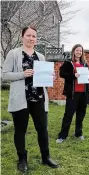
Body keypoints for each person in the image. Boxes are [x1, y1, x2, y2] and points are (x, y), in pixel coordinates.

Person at [2, 26, 59, 173]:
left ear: (36, 39)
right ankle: (22, 160)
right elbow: (5, 75)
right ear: (22, 37)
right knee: (20, 131)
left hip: (38, 98)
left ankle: (46, 157)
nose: (31, 38)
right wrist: (23, 74)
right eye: (28, 35)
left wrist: (50, 78)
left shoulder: (41, 56)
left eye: (34, 36)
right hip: (21, 99)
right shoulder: (13, 54)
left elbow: (44, 78)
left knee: (43, 130)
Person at [56, 44, 89, 143]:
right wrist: (73, 75)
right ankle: (62, 135)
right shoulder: (68, 63)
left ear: (82, 52)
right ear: (73, 51)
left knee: (81, 115)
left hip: (83, 93)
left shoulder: (84, 64)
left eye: (80, 51)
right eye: (77, 50)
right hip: (72, 93)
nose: (79, 52)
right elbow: (61, 73)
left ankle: (78, 133)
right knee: (68, 115)